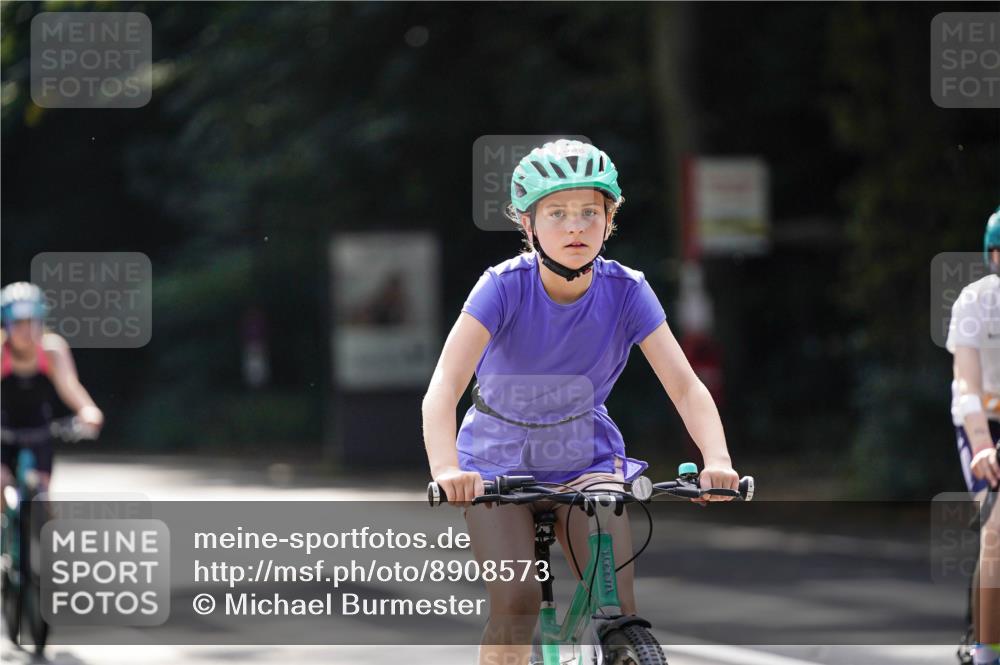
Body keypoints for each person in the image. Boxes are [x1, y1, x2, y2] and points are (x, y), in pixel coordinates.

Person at [422, 139, 740, 665]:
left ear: (609, 220)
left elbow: (684, 386)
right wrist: (446, 468)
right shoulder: (501, 288)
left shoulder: (628, 291)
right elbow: (443, 389)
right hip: (495, 463)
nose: (575, 227)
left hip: (584, 459)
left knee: (616, 611)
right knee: (518, 605)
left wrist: (719, 462)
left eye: (590, 212)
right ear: (529, 226)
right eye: (557, 213)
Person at [947, 206, 1000, 665]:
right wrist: (983, 445)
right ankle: (987, 649)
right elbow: (966, 385)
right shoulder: (975, 301)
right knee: (996, 520)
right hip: (983, 418)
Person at [0, 282, 104, 512]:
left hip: (40, 431)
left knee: (42, 496)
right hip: (3, 432)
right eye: (18, 323)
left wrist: (87, 410)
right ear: (6, 324)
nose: (26, 330)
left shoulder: (52, 350)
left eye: (32, 322)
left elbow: (69, 385)